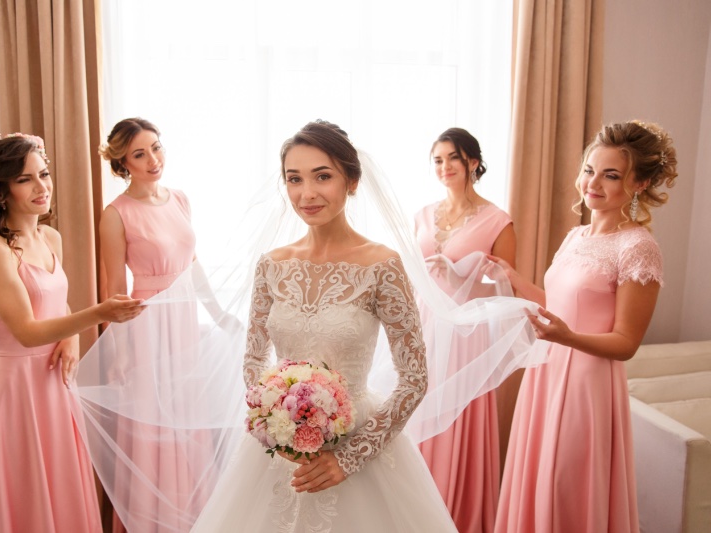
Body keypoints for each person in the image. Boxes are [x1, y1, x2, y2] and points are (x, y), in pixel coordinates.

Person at [188, 120, 457, 531]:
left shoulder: (381, 265)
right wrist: (279, 425)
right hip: (281, 454)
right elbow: (254, 363)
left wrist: (348, 458)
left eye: (323, 176)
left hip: (357, 449)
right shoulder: (272, 265)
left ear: (352, 180)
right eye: (294, 179)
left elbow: (414, 378)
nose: (306, 193)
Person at [491, 120, 677, 533]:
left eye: (611, 175)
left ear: (640, 183)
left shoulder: (639, 248)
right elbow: (558, 305)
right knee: (538, 475)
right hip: (547, 371)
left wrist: (567, 337)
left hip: (586, 383)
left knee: (565, 483)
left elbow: (626, 342)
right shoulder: (576, 236)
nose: (592, 183)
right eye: (590, 170)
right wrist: (515, 278)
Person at [0, 133, 144, 532]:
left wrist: (72, 335)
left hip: (53, 385)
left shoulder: (50, 238)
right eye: (25, 179)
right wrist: (100, 313)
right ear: (0, 188)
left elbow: (58, 305)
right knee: (24, 497)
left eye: (43, 174)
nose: (42, 187)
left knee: (59, 489)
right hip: (11, 392)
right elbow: (26, 331)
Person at [98, 117, 230, 532]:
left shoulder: (180, 199)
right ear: (123, 163)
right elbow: (115, 291)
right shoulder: (115, 214)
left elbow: (192, 265)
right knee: (153, 417)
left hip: (185, 319)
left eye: (157, 147)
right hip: (148, 321)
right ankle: (151, 520)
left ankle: (191, 515)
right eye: (140, 153)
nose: (153, 159)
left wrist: (219, 314)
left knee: (186, 412)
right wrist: (120, 353)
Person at [415, 127, 515, 532]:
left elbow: (507, 285)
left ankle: (456, 513)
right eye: (437, 160)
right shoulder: (423, 214)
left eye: (452, 158)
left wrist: (462, 274)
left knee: (456, 417)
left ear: (473, 162)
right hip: (423, 327)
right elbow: (411, 273)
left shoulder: (497, 220)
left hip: (466, 333)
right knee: (417, 411)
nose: (444, 167)